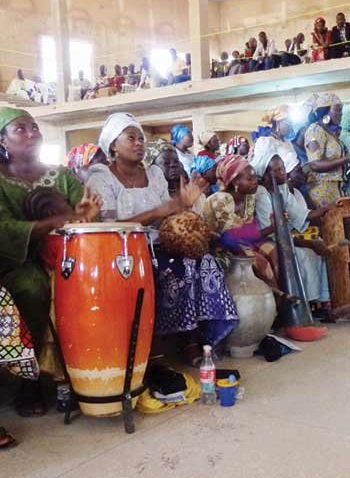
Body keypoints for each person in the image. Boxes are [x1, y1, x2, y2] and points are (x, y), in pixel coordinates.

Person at [86, 113, 238, 366]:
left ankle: (197, 337)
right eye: (131, 138)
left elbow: (167, 218)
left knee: (203, 261)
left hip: (160, 245)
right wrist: (158, 212)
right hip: (123, 252)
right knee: (177, 270)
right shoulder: (101, 178)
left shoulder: (154, 175)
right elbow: (107, 228)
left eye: (141, 139)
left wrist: (183, 207)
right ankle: (168, 344)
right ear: (113, 144)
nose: (138, 143)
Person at [0, 107, 98, 415]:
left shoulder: (62, 174)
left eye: (34, 128)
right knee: (32, 287)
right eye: (20, 129)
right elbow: (4, 230)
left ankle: (84, 370)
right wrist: (62, 218)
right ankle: (28, 381)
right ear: (3, 140)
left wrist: (85, 217)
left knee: (90, 282)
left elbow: (82, 214)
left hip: (64, 253)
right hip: (17, 260)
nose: (31, 134)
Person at [250, 142, 332, 306]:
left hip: (285, 236)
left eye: (283, 168)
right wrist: (308, 243)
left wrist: (327, 209)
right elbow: (273, 232)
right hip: (268, 239)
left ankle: (322, 301)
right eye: (278, 170)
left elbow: (301, 214)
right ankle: (302, 304)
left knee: (320, 248)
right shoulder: (261, 194)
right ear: (266, 175)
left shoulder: (282, 188)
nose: (284, 173)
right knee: (305, 254)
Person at [203, 155, 279, 291]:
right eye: (249, 179)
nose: (255, 182)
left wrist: (273, 226)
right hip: (219, 247)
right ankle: (276, 296)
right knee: (261, 263)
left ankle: (277, 294)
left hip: (242, 242)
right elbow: (230, 237)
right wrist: (271, 228)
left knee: (273, 250)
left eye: (255, 177)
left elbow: (248, 231)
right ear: (235, 182)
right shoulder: (220, 200)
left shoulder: (248, 197)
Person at [304, 93, 348, 207]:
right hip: (322, 191)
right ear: (325, 112)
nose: (341, 113)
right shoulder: (315, 130)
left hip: (335, 190)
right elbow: (315, 164)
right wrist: (346, 159)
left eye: (341, 110)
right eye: (338, 110)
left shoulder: (330, 134)